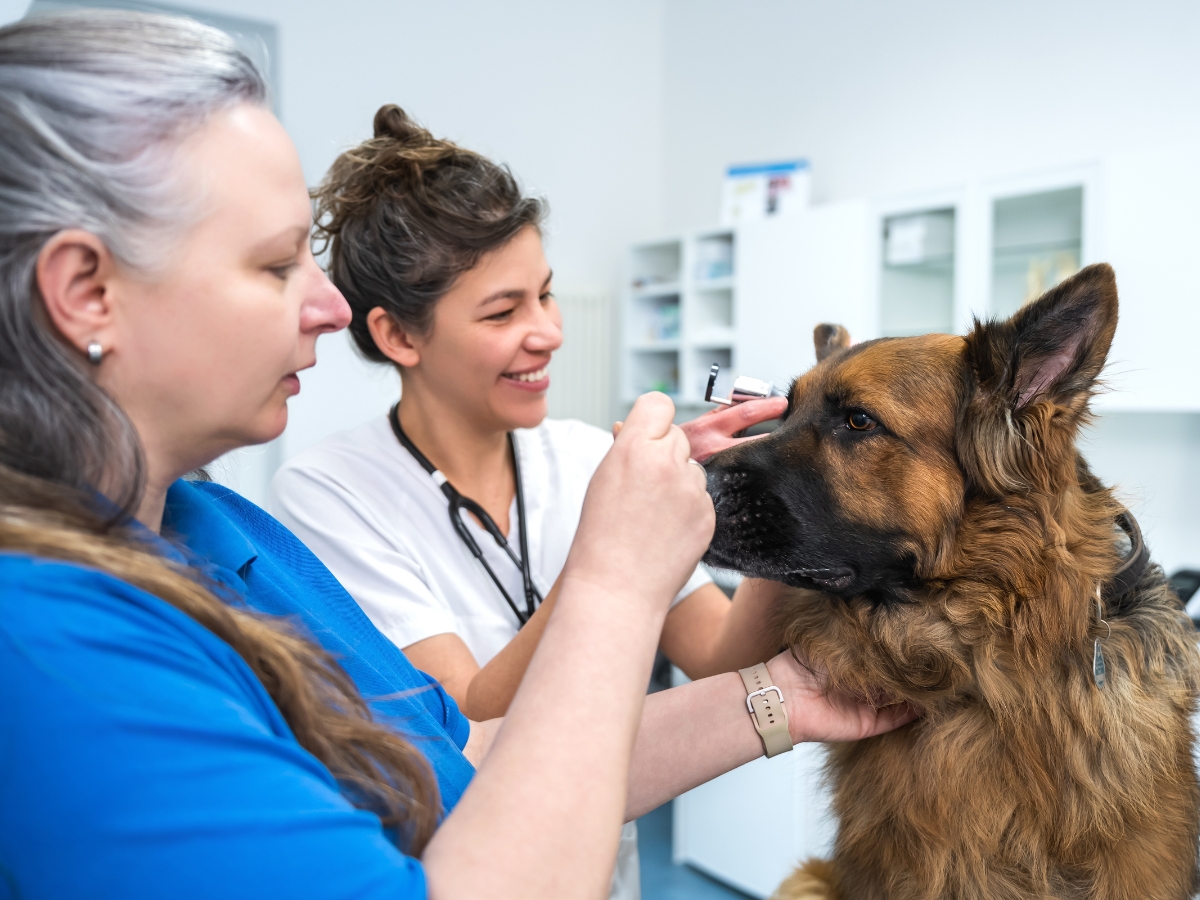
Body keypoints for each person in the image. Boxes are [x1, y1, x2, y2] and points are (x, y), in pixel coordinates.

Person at [0, 11, 914, 900]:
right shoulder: (43, 651)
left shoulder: (217, 528)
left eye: (546, 297)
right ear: (85, 291)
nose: (327, 308)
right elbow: (475, 750)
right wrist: (610, 576)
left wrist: (784, 694)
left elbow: (458, 761)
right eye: (277, 266)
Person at [268, 109, 795, 897]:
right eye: (503, 312)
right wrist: (614, 548)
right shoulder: (327, 492)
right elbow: (469, 721)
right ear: (397, 337)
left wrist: (778, 505)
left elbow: (723, 658)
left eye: (545, 296)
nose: (548, 332)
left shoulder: (586, 455)